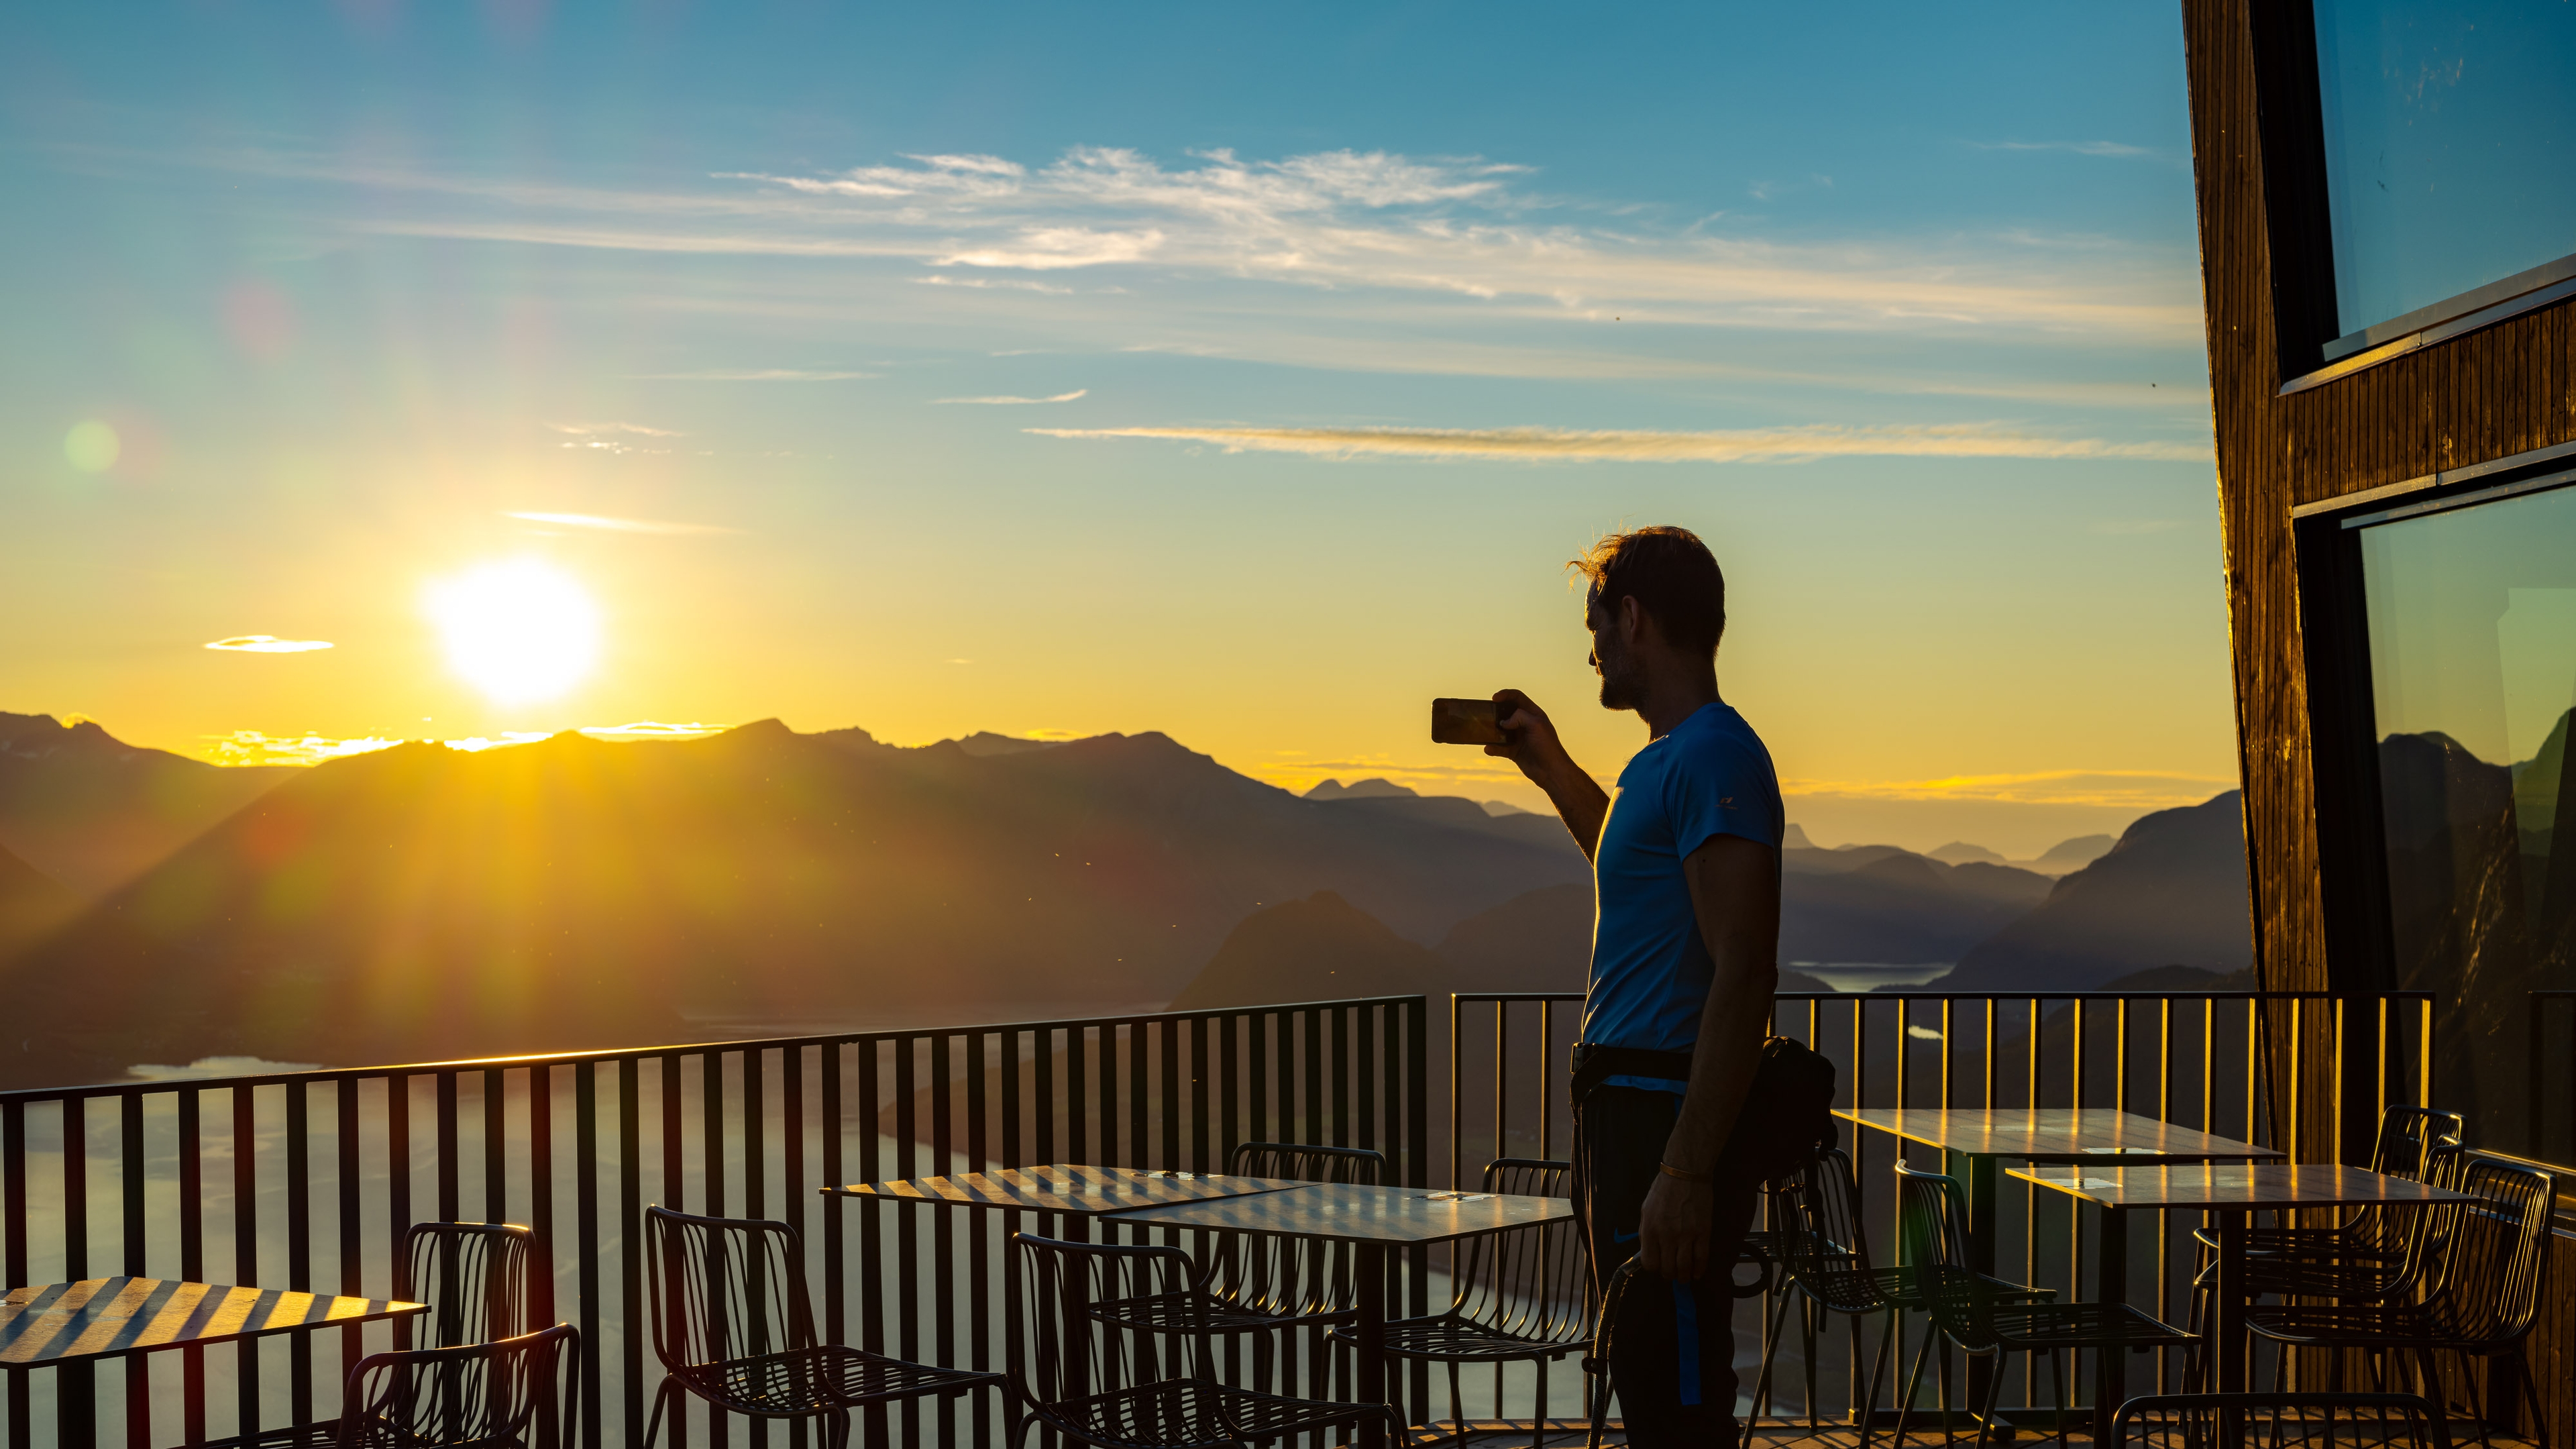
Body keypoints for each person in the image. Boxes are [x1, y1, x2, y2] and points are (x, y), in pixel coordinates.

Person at [1487, 525, 1782, 1447]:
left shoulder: (1715, 758)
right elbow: (1637, 872)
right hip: (1630, 1110)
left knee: (1680, 1393)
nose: (1591, 649)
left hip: (1662, 1110)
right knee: (1650, 1373)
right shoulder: (1667, 759)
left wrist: (1687, 1170)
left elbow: (1745, 966)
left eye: (1597, 624)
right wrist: (1548, 764)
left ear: (1635, 616)